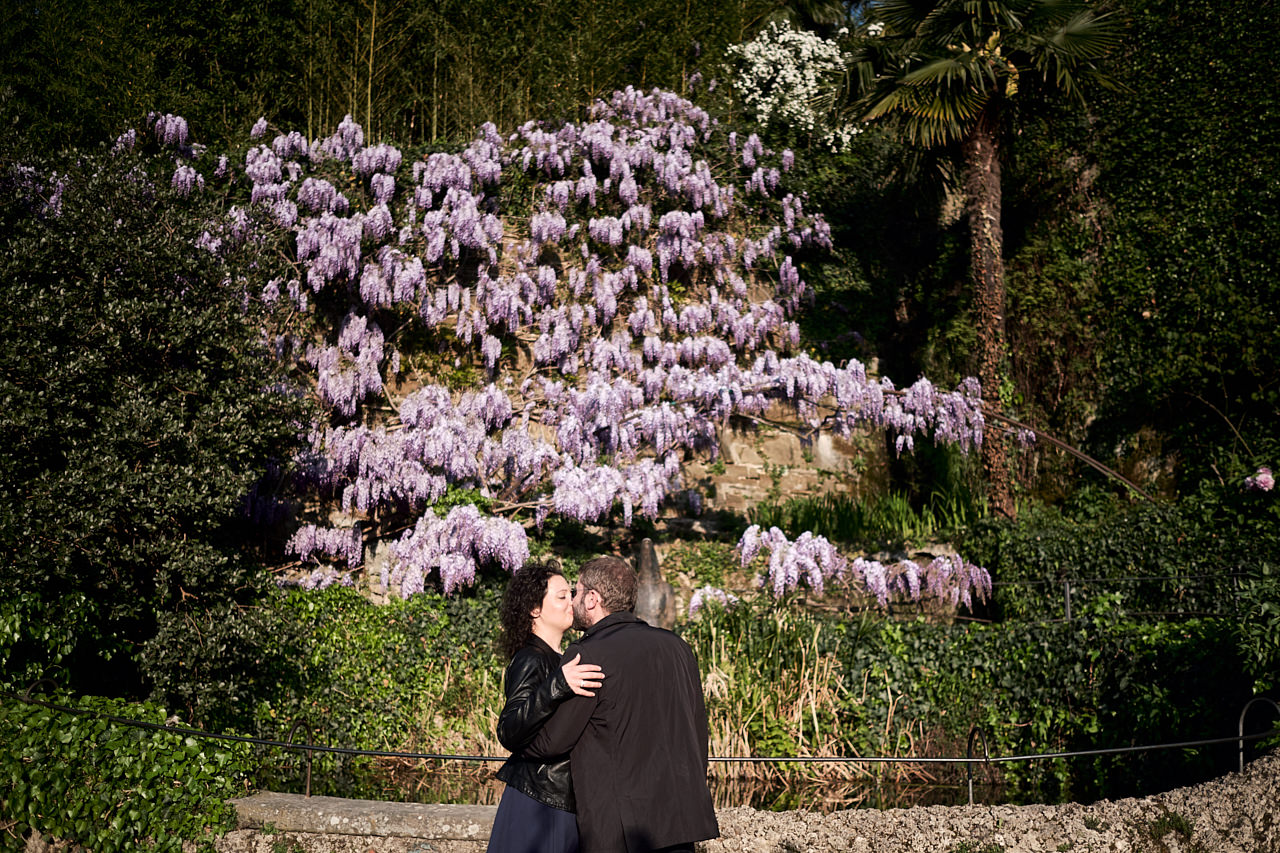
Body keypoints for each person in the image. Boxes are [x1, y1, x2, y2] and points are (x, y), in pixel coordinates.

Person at [525, 555, 719, 853]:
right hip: (679, 821)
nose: (572, 601)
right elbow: (697, 733)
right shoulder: (678, 647)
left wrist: (520, 736)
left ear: (592, 599)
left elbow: (554, 741)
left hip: (622, 830)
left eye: (575, 592)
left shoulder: (588, 654)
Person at [489, 561, 606, 853]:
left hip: (558, 796)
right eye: (562, 596)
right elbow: (509, 729)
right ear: (534, 609)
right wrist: (558, 685)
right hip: (539, 798)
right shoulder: (530, 658)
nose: (572, 602)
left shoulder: (561, 658)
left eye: (572, 594)